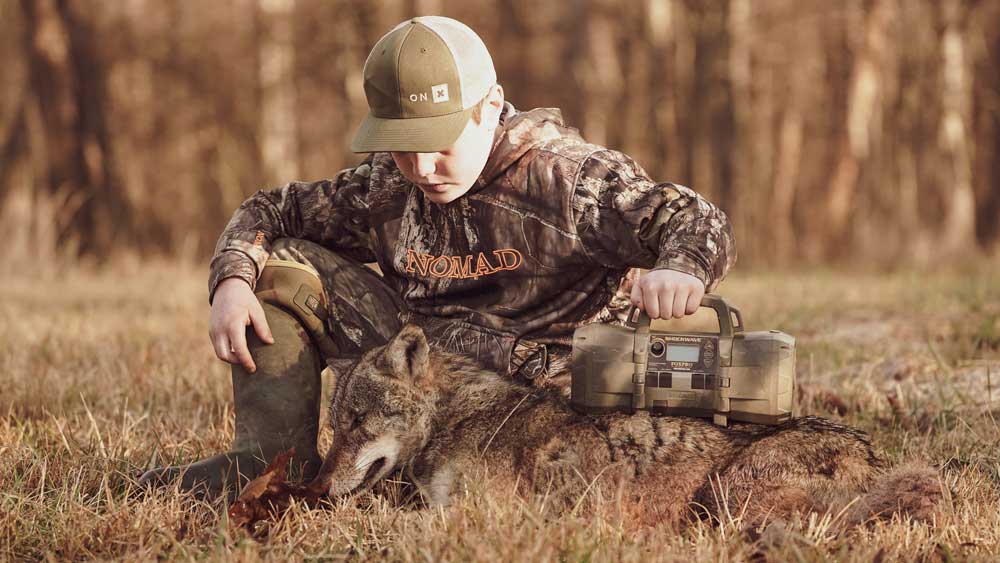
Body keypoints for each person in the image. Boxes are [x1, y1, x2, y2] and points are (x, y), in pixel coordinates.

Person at [139, 15, 736, 494]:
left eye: (438, 143)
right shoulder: (385, 185)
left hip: (541, 413)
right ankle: (271, 462)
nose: (421, 169)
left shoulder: (572, 180)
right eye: (402, 147)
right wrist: (232, 280)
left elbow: (690, 216)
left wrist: (679, 267)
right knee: (282, 263)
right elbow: (271, 209)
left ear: (491, 105)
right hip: (415, 377)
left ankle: (413, 476)